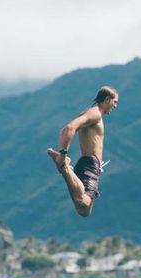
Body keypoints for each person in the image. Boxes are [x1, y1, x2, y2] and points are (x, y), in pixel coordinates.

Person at [47, 86, 119, 217]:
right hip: (89, 163)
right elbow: (68, 128)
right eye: (115, 102)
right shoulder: (95, 114)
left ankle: (65, 167)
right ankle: (65, 167)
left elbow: (66, 130)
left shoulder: (92, 113)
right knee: (83, 203)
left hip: (89, 164)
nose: (116, 106)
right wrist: (63, 153)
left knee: (84, 210)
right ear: (107, 99)